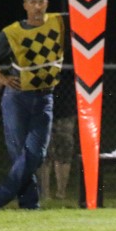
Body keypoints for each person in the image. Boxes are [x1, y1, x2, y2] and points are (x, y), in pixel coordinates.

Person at [0, 0, 65, 210]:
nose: (37, 6)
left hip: (44, 98)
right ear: (25, 5)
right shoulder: (13, 32)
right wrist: (1, 78)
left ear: (47, 3)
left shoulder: (59, 21)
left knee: (36, 154)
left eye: (41, 0)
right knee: (20, 154)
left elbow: (84, 12)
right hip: (18, 98)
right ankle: (29, 204)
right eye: (32, 1)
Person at [40, 72, 76, 200]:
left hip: (65, 111)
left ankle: (61, 192)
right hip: (43, 109)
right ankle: (45, 193)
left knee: (63, 153)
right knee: (44, 154)